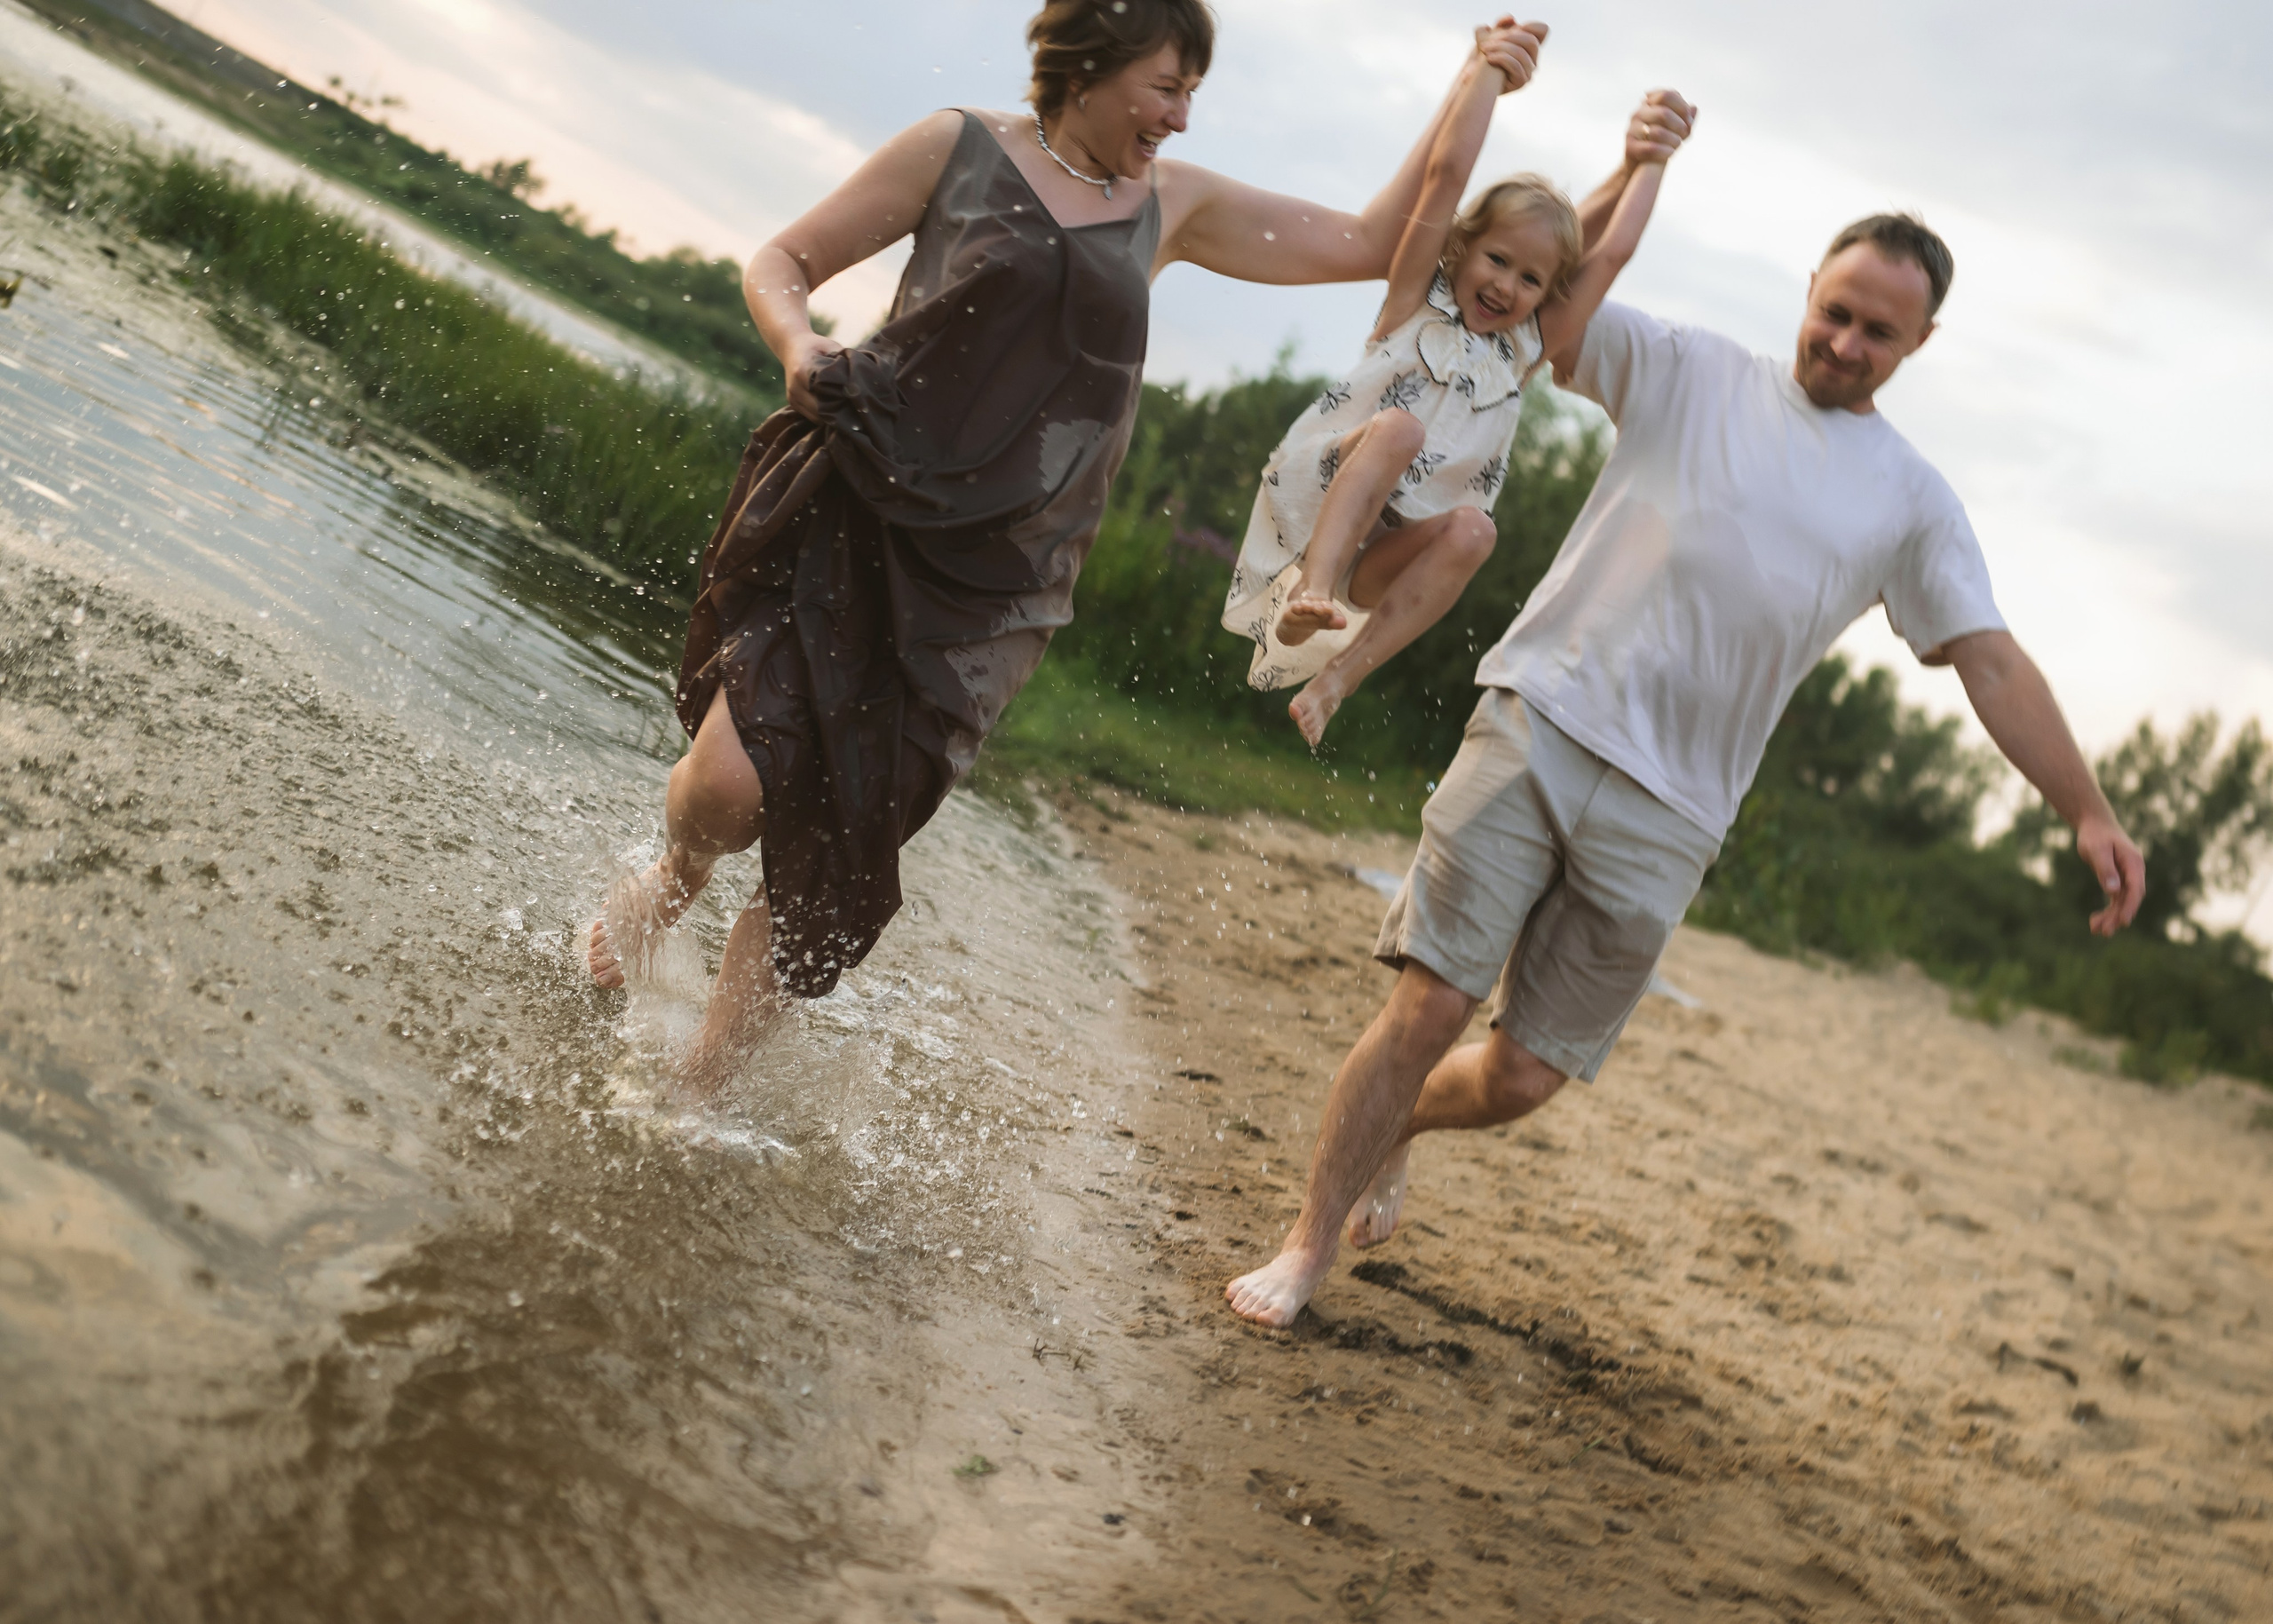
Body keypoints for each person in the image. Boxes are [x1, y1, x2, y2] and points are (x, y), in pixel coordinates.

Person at [588, 3, 1552, 1098]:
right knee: (725, 787)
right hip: (861, 504)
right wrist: (796, 342)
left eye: (1192, 93)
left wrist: (1477, 76)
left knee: (835, 833)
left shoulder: (1171, 207)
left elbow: (1378, 241)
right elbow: (784, 259)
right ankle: (676, 870)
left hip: (996, 585)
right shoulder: (955, 147)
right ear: (1086, 68)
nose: (1181, 118)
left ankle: (692, 1097)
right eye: (1164, 87)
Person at [1225, 209, 2150, 1328]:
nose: (1847, 343)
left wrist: (2086, 808)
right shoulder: (1690, 368)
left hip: (1676, 805)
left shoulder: (1913, 501)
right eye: (1836, 313)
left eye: (1879, 334)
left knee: (1524, 1075)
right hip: (1545, 715)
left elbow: (1990, 662)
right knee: (1430, 1002)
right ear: (1809, 287)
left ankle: (1400, 1125)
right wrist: (1638, 168)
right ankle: (1305, 1245)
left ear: (1921, 342)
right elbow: (1554, 317)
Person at [1223, 64, 1697, 749]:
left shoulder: (1525, 351)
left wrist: (1655, 159)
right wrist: (1489, 76)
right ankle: (1308, 593)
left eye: (1532, 279)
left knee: (1477, 529)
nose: (1508, 286)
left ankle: (1338, 680)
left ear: (1547, 293)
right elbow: (1445, 177)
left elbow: (1613, 251)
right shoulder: (1417, 297)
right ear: (1461, 247)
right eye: (1497, 260)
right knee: (1400, 428)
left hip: (1381, 552)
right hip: (1326, 488)